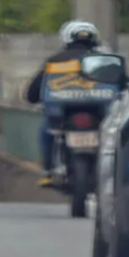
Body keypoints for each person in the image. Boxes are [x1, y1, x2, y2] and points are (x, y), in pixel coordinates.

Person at [25, 20, 105, 187]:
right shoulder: (103, 61)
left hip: (62, 115)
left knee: (47, 131)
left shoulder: (55, 61)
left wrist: (34, 99)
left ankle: (47, 171)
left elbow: (33, 93)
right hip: (98, 113)